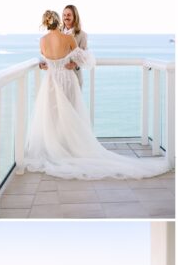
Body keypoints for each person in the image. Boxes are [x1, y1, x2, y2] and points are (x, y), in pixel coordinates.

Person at [24, 10, 170, 180]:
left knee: (53, 116)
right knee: (71, 115)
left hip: (50, 82)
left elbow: (48, 61)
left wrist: (48, 65)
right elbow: (86, 60)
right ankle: (71, 149)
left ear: (45, 23)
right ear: (58, 20)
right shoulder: (68, 39)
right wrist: (75, 60)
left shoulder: (42, 41)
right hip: (67, 80)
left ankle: (57, 150)